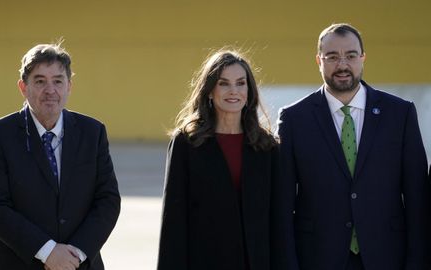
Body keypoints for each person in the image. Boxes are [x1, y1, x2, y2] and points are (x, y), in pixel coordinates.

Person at [275, 23, 430, 270]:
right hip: (317, 258)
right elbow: (282, 205)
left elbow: (417, 197)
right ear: (318, 60)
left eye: (350, 55)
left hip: (388, 257)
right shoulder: (294, 119)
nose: (342, 65)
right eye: (332, 57)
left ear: (363, 58)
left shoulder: (400, 114)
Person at [0, 43, 121, 270]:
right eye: (40, 81)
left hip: (79, 263)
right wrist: (48, 251)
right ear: (23, 87)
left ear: (69, 86)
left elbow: (108, 200)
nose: (50, 90)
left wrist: (76, 253)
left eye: (58, 81)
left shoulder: (93, 132)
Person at [157, 49, 279, 270]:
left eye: (241, 83)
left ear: (249, 91)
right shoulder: (187, 143)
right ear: (210, 90)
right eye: (224, 83)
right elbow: (173, 222)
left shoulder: (266, 146)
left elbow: (277, 220)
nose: (234, 91)